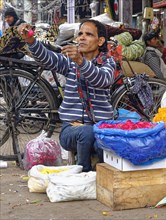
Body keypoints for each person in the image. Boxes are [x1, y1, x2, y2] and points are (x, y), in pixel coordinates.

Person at [18, 20, 116, 172]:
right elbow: (47, 57)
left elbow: (101, 79)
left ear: (100, 41)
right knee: (87, 132)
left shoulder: (108, 63)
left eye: (88, 34)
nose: (82, 38)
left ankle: (105, 178)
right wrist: (30, 40)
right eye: (80, 34)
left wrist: (81, 62)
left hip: (100, 127)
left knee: (102, 142)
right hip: (71, 129)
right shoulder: (70, 62)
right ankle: (82, 173)